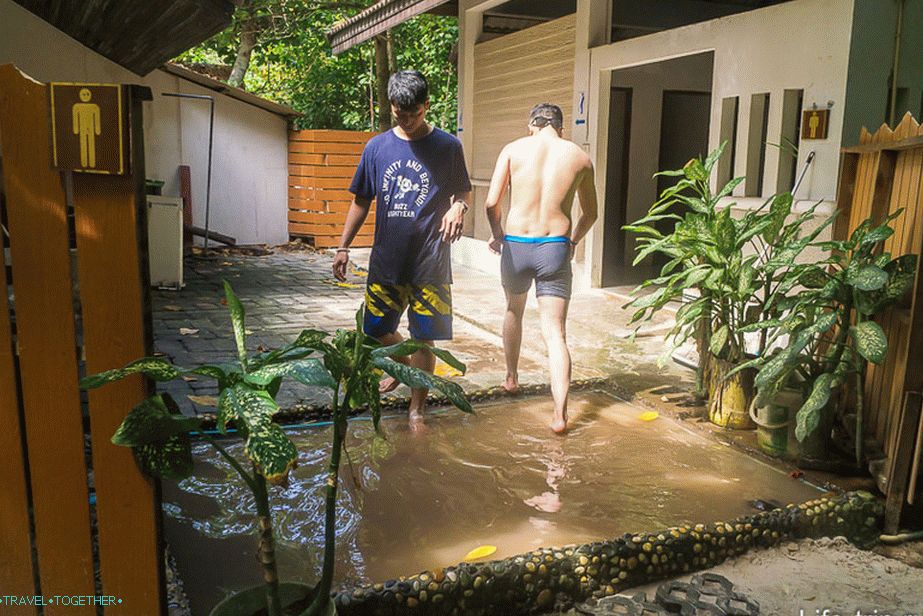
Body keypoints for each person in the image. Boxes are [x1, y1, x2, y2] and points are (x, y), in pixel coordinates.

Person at [332, 70, 472, 427]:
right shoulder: (376, 147)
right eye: (400, 113)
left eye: (414, 113)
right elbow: (361, 200)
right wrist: (343, 247)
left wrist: (459, 207)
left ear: (427, 106)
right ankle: (407, 369)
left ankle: (417, 410)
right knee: (375, 329)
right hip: (387, 260)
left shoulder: (448, 147)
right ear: (391, 107)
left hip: (431, 261)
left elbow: (463, 191)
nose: (407, 120)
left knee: (424, 337)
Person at [484, 103, 598, 434]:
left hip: (517, 244)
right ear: (560, 128)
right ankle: (560, 416)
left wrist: (497, 236)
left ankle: (511, 377)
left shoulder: (513, 149)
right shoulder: (579, 157)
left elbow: (492, 204)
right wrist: (572, 242)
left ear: (531, 125)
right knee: (555, 332)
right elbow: (590, 213)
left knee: (513, 310)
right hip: (555, 247)